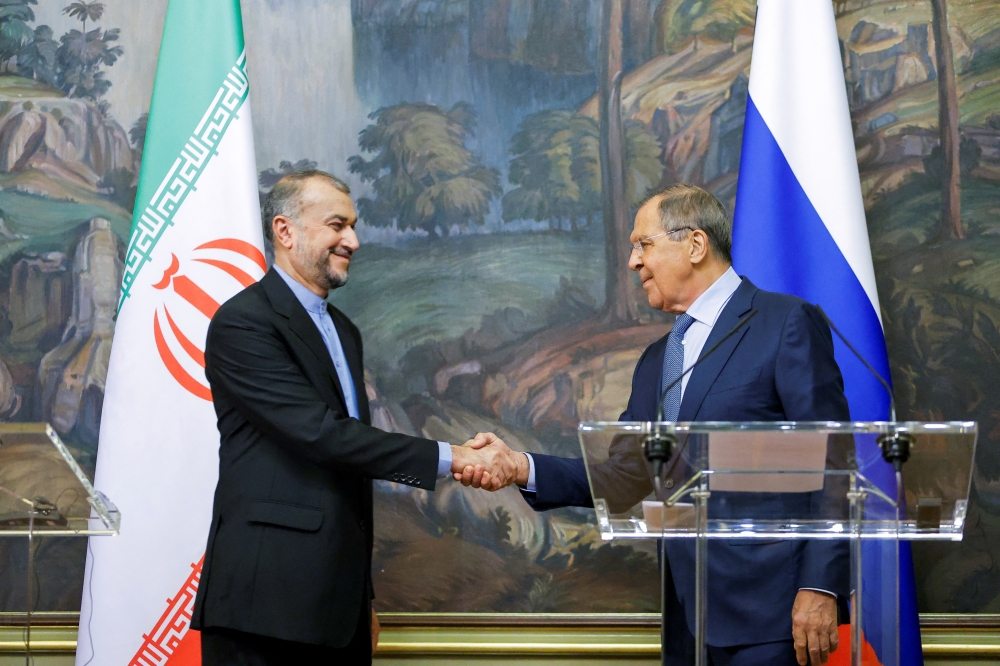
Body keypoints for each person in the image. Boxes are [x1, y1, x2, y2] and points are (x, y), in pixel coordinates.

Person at [458, 184, 850, 666]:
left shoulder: (785, 322)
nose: (632, 262)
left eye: (643, 244)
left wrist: (820, 586)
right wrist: (520, 466)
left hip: (773, 616)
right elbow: (626, 478)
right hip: (687, 618)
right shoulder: (656, 361)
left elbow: (832, 461)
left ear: (695, 245)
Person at [191, 170, 514, 665]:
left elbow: (346, 473)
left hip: (334, 611)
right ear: (285, 231)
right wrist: (452, 456)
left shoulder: (342, 329)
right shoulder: (244, 322)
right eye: (337, 225)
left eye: (354, 226)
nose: (354, 241)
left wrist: (358, 600)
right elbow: (322, 436)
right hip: (265, 608)